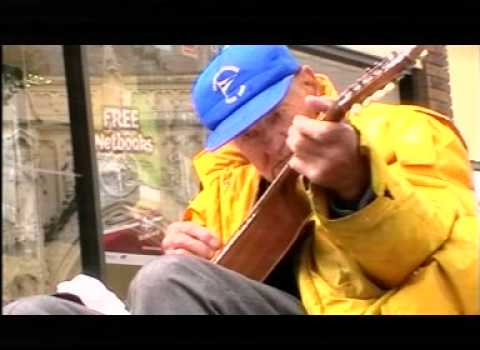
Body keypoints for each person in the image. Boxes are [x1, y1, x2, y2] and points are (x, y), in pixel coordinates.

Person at [4, 45, 478, 315]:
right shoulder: (231, 181)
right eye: (249, 134)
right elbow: (201, 279)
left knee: (163, 281)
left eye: (277, 117)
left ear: (310, 85)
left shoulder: (404, 130)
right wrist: (190, 251)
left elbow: (437, 255)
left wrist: (357, 185)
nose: (271, 144)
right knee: (35, 312)